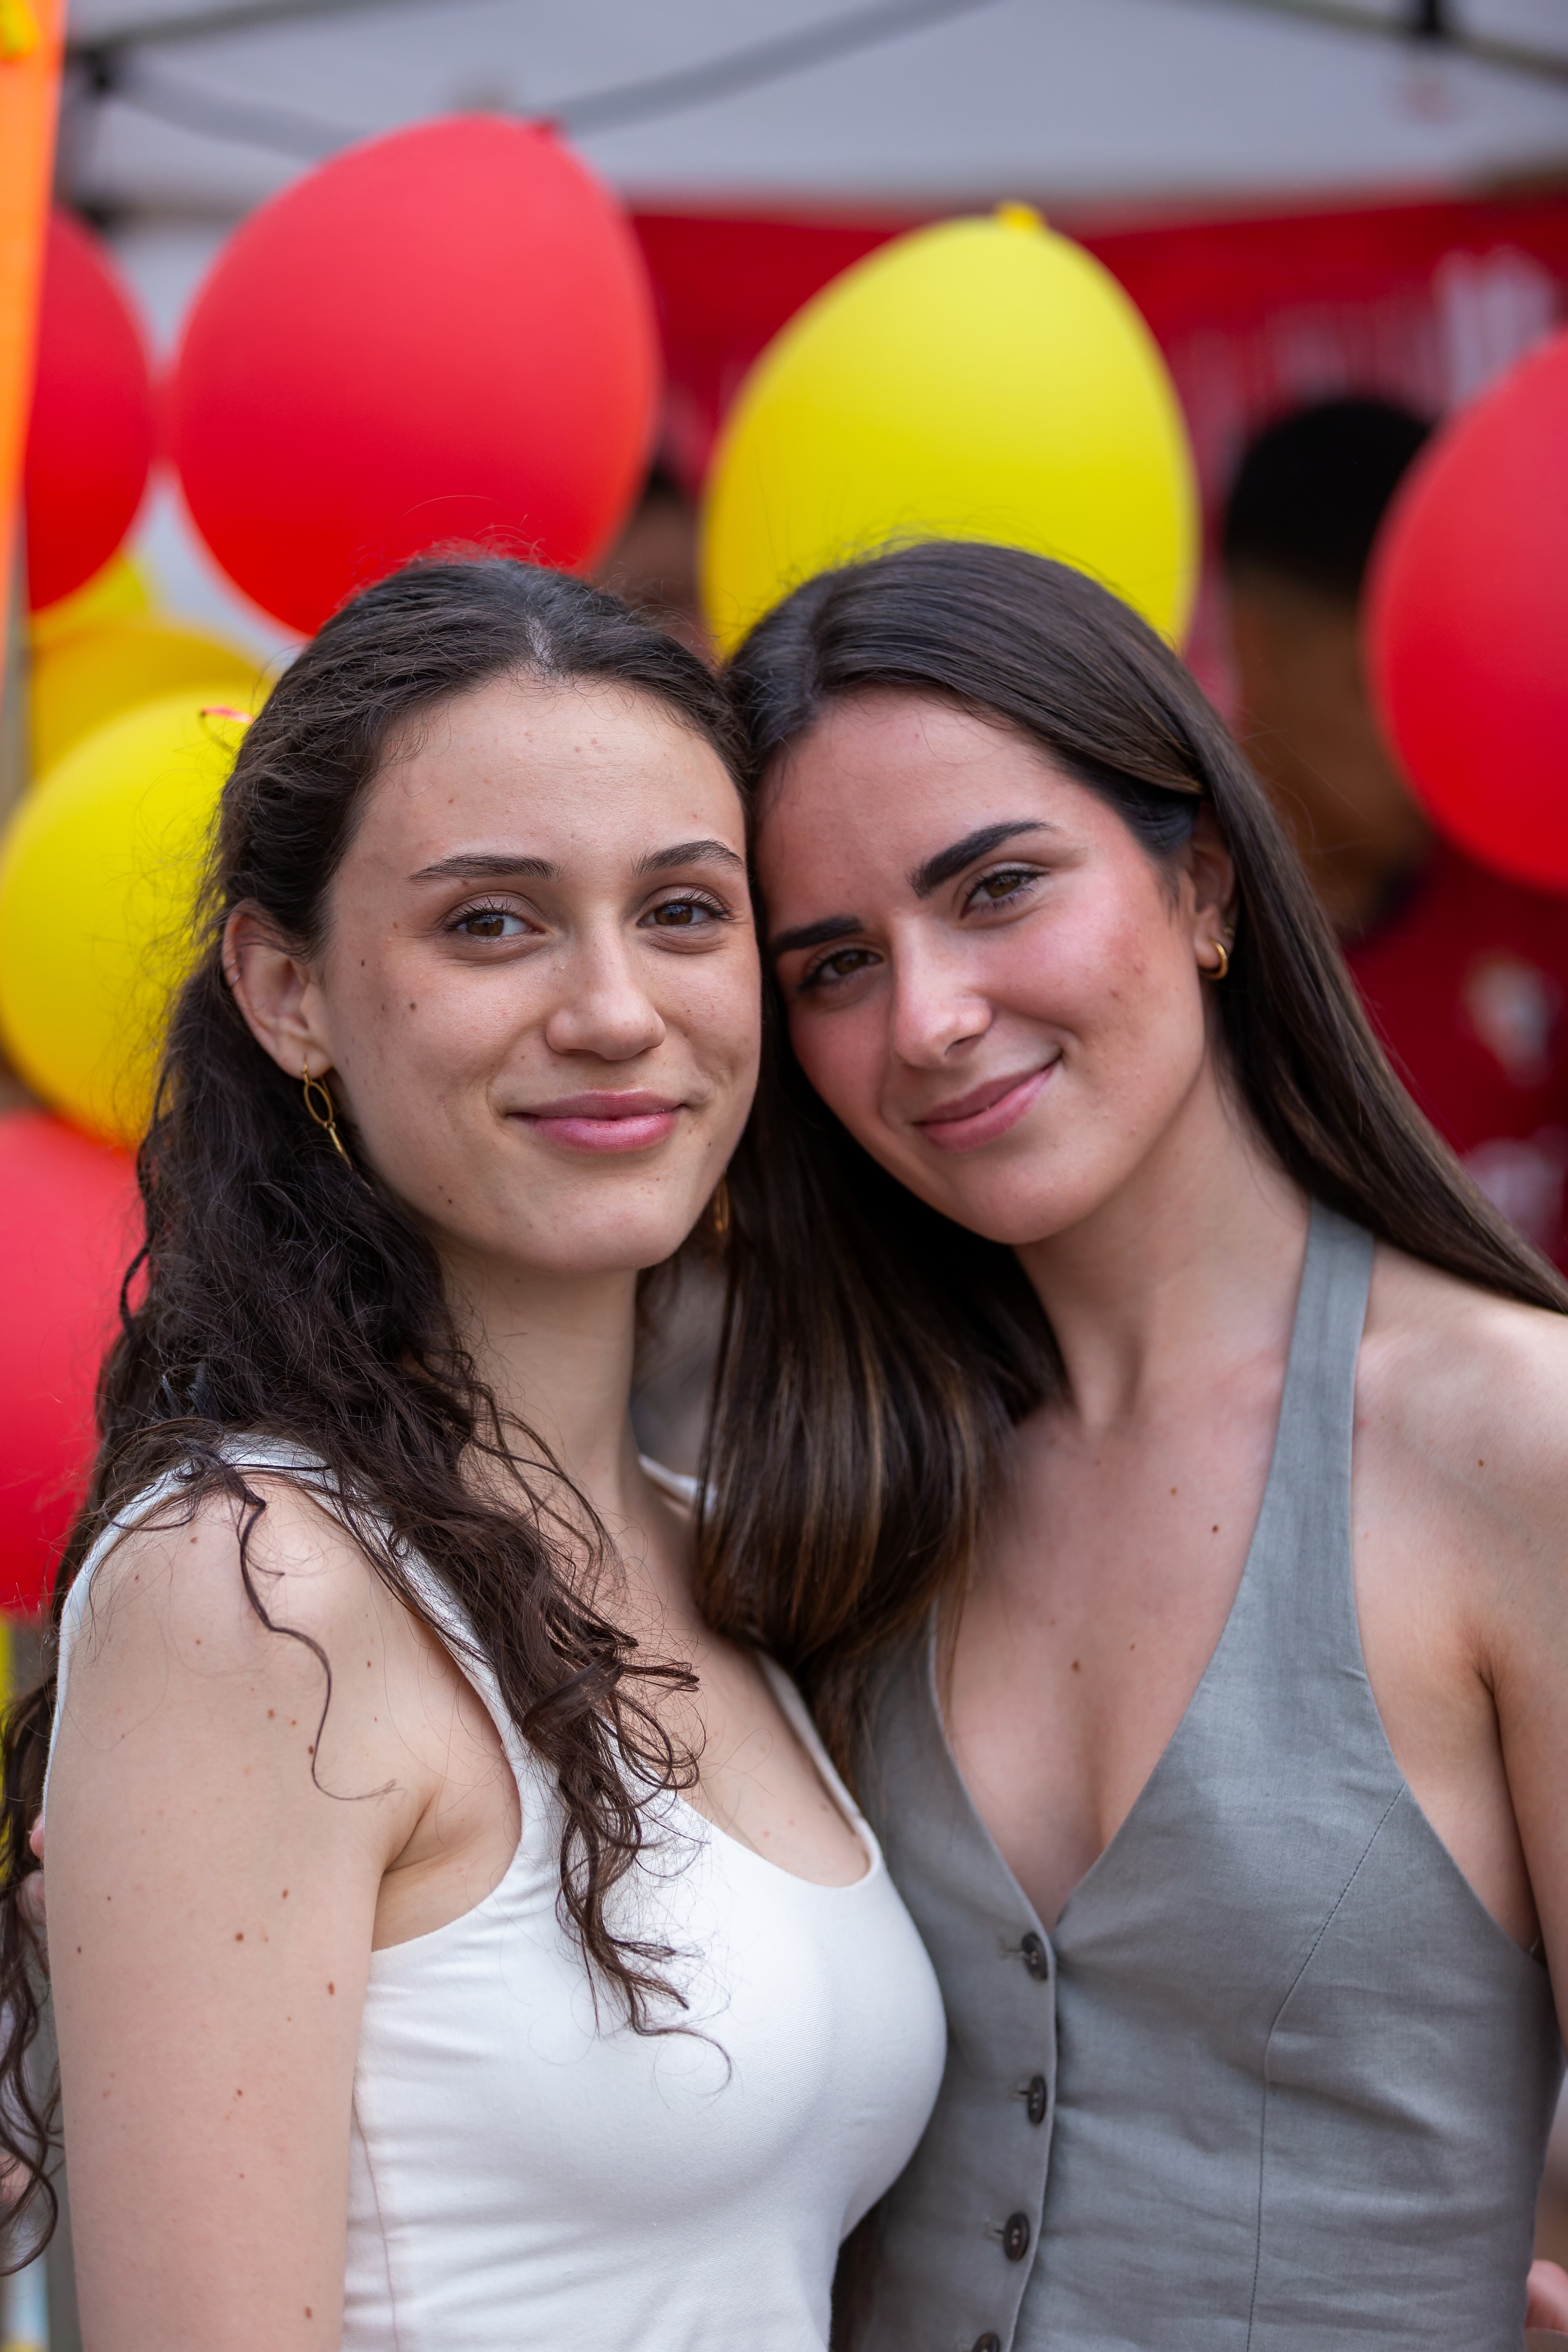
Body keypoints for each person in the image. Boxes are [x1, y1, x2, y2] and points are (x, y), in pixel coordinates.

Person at [0, 559, 946, 2350]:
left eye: (683, 911)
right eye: (494, 923)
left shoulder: (712, 1545)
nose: (615, 1009)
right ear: (286, 990)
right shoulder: (252, 1591)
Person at [702, 540, 1568, 2351]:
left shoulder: (1512, 1439)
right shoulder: (837, 1486)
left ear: (1204, 883)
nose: (931, 1017)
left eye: (998, 888)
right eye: (837, 964)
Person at [1223, 396, 1568, 1265]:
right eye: (1379, 678)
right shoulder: (1178, 970)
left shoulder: (1533, 876)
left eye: (1450, 666)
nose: (1432, 726)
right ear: (1257, 650)